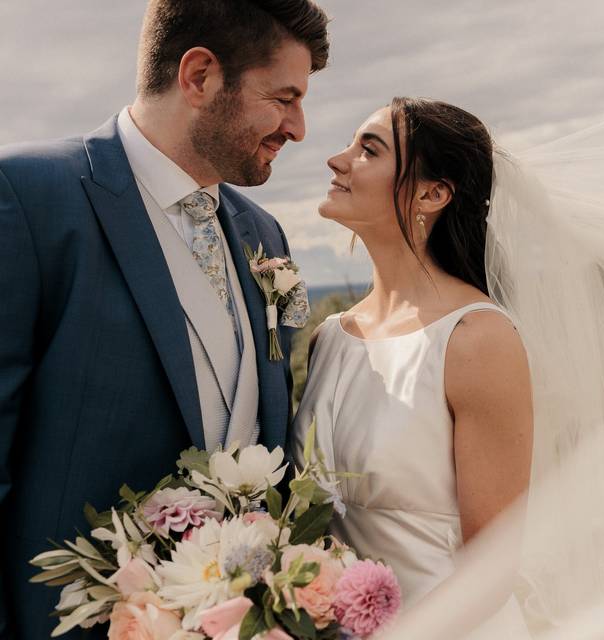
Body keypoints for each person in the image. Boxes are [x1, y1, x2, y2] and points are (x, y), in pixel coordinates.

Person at [0, 1, 328, 637]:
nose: (300, 126)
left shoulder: (264, 234)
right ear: (200, 75)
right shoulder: (29, 196)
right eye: (284, 97)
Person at [290, 97, 534, 634]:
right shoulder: (330, 338)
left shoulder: (476, 339)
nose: (337, 159)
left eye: (368, 149)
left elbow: (492, 572)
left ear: (432, 193)